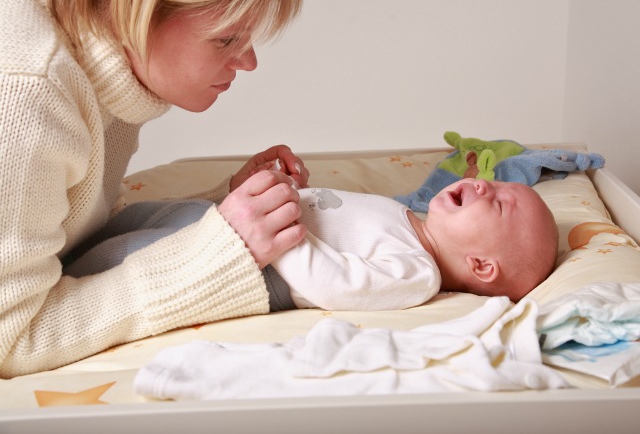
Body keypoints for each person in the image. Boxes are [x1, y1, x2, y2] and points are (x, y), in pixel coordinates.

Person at [0, 0, 307, 378]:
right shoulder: (27, 88)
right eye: (227, 39)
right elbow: (11, 339)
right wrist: (218, 256)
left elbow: (74, 236)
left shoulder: (108, 52)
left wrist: (222, 208)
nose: (248, 60)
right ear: (136, 9)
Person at [65, 176, 559, 313]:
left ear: (480, 265)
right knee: (132, 219)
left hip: (252, 262)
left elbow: (335, 285)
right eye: (494, 183)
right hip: (239, 222)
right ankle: (60, 251)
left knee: (123, 257)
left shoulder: (416, 273)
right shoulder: (408, 216)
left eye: (495, 203)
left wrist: (277, 234)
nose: (481, 185)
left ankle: (62, 282)